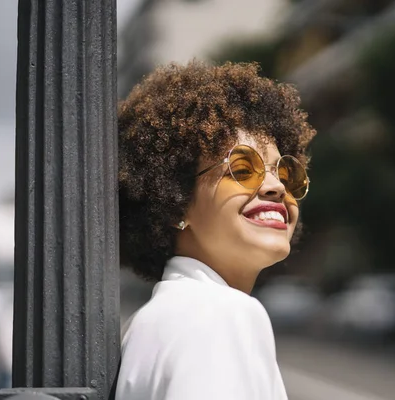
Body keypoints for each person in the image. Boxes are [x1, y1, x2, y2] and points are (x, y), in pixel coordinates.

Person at [115, 61, 316, 400]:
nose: (275, 187)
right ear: (175, 203)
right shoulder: (218, 315)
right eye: (241, 168)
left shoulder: (158, 320)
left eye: (285, 173)